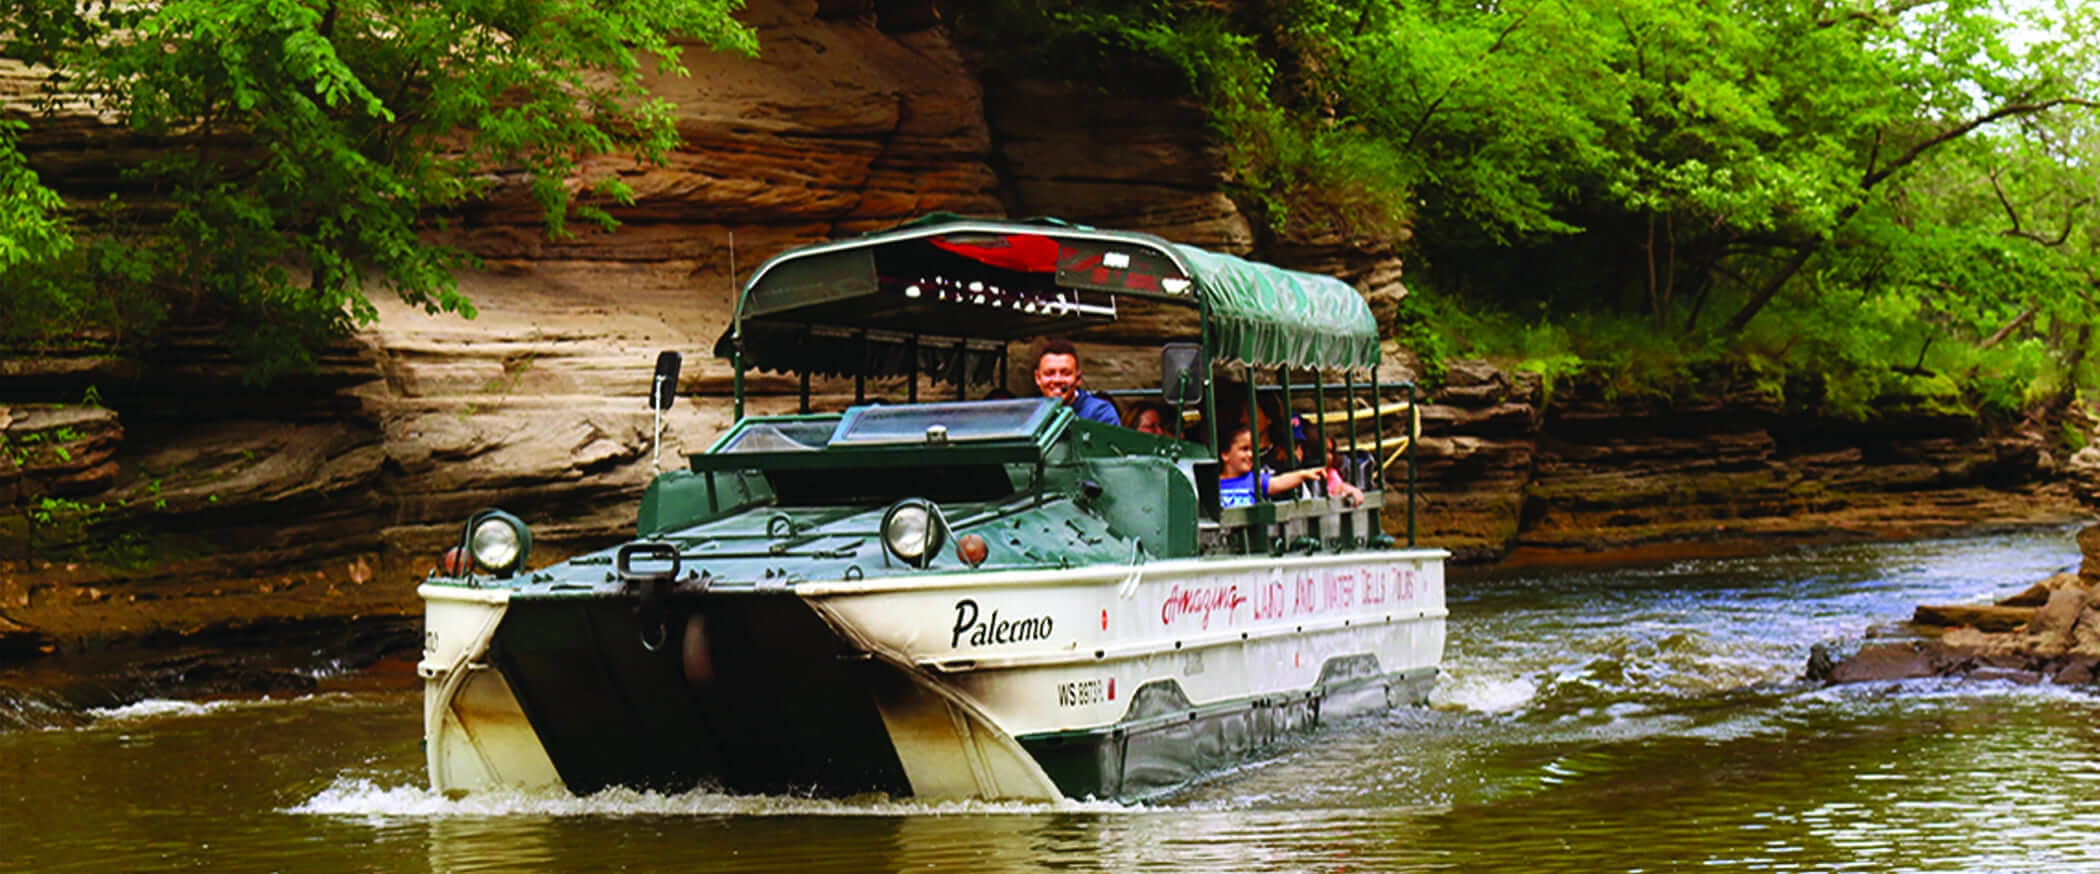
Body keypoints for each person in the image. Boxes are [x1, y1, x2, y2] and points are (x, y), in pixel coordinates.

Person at [1218, 426, 1329, 508]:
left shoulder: (1255, 480)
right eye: (1244, 449)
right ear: (1225, 454)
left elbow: (1280, 482)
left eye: (1253, 450)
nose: (1251, 454)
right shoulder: (1213, 485)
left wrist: (1303, 474)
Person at [1033, 339, 1120, 425]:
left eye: (1066, 373)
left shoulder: (1099, 413)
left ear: (1078, 378)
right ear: (1037, 378)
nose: (1057, 380)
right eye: (1049, 373)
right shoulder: (1030, 413)